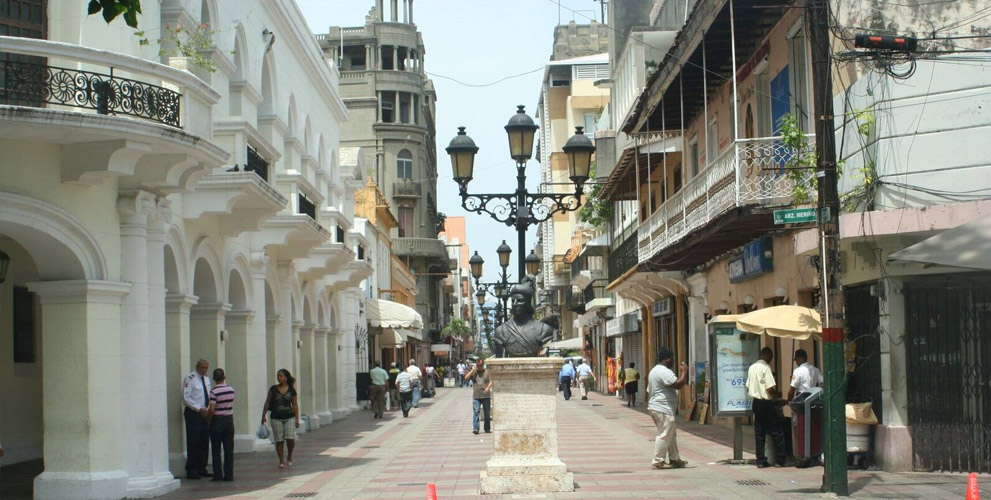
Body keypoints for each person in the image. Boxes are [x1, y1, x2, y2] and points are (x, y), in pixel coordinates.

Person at [647, 349, 689, 469]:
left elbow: (649, 390)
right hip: (662, 407)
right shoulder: (664, 371)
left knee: (671, 434)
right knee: (664, 434)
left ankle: (674, 458)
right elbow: (678, 384)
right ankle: (658, 460)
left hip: (657, 406)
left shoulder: (654, 371)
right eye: (671, 358)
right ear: (665, 359)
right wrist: (684, 372)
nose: (673, 361)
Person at [746, 347, 787, 468]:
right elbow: (769, 388)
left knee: (759, 432)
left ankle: (760, 460)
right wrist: (777, 394)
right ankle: (780, 459)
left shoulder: (752, 367)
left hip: (756, 403)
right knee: (776, 431)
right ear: (768, 356)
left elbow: (748, 385)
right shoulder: (766, 368)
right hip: (766, 403)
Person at [491, 283, 554, 357]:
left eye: (520, 300)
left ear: (528, 303)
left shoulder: (543, 330)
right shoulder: (501, 331)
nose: (515, 304)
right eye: (513, 301)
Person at [261, 368, 300, 469]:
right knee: (279, 440)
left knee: (290, 438)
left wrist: (296, 418)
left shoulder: (291, 390)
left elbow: (295, 405)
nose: (279, 378)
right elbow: (268, 402)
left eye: (281, 376)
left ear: (286, 377)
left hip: (289, 416)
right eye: (278, 376)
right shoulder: (273, 389)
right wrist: (263, 415)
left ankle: (290, 455)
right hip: (276, 417)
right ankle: (281, 460)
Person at [182, 358, 213, 479]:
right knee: (193, 441)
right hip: (194, 413)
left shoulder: (206, 379)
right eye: (202, 367)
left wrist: (209, 409)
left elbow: (209, 395)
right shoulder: (190, 378)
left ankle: (202, 467)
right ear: (197, 367)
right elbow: (186, 398)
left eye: (206, 368)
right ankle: (192, 469)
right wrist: (198, 408)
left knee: (204, 440)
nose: (204, 370)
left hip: (205, 414)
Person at [207, 368, 235, 481]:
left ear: (214, 378)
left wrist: (208, 419)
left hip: (217, 420)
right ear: (224, 377)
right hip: (229, 420)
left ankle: (218, 474)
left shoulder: (213, 392)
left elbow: (212, 409)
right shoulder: (231, 390)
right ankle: (229, 475)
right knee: (229, 449)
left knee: (216, 449)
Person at [465, 358, 492, 434]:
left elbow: (491, 381)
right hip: (476, 396)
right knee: (476, 412)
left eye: (480, 365)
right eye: (478, 365)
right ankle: (476, 428)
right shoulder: (474, 372)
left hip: (486, 396)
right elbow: (466, 378)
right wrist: (472, 370)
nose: (479, 367)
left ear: (483, 365)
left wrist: (488, 387)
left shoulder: (487, 372)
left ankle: (487, 428)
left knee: (487, 413)